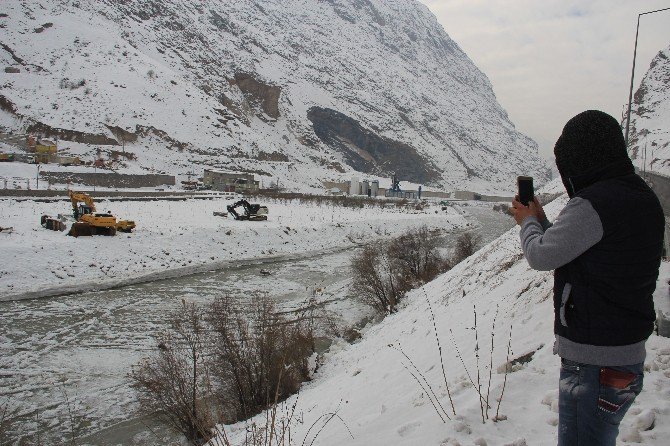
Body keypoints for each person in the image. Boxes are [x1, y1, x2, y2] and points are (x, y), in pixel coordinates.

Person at [510, 110, 664, 446]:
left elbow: (541, 255)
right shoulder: (642, 197)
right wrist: (541, 219)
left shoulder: (594, 203)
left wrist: (526, 221)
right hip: (625, 357)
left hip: (593, 363)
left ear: (579, 161)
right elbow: (583, 248)